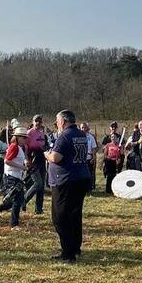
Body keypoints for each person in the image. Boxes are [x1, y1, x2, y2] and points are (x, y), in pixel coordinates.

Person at [48, 110, 91, 263]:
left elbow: (56, 157)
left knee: (60, 217)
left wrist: (47, 154)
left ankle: (68, 253)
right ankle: (75, 248)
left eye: (57, 121)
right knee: (75, 215)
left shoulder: (64, 136)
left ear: (63, 121)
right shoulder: (81, 135)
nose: (56, 124)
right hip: (81, 178)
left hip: (65, 181)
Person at [0, 125, 29, 227]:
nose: (25, 139)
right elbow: (7, 161)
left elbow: (18, 159)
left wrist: (25, 162)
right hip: (11, 177)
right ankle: (14, 224)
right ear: (17, 137)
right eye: (23, 137)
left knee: (17, 199)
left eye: (25, 137)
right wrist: (22, 167)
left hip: (16, 176)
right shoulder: (14, 146)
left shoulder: (20, 147)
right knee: (17, 200)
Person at [24, 114, 48, 214]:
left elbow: (43, 147)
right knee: (38, 183)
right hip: (32, 161)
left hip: (41, 160)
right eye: (36, 121)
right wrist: (26, 159)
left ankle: (39, 209)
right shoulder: (29, 133)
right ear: (33, 122)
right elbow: (25, 147)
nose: (38, 123)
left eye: (40, 121)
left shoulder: (42, 134)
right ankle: (23, 201)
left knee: (41, 187)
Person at [80, 122, 98, 190]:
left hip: (89, 158)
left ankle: (90, 187)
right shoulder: (78, 136)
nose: (83, 129)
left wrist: (93, 158)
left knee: (89, 173)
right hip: (81, 159)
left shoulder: (90, 137)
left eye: (85, 127)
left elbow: (94, 148)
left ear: (87, 128)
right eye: (82, 127)